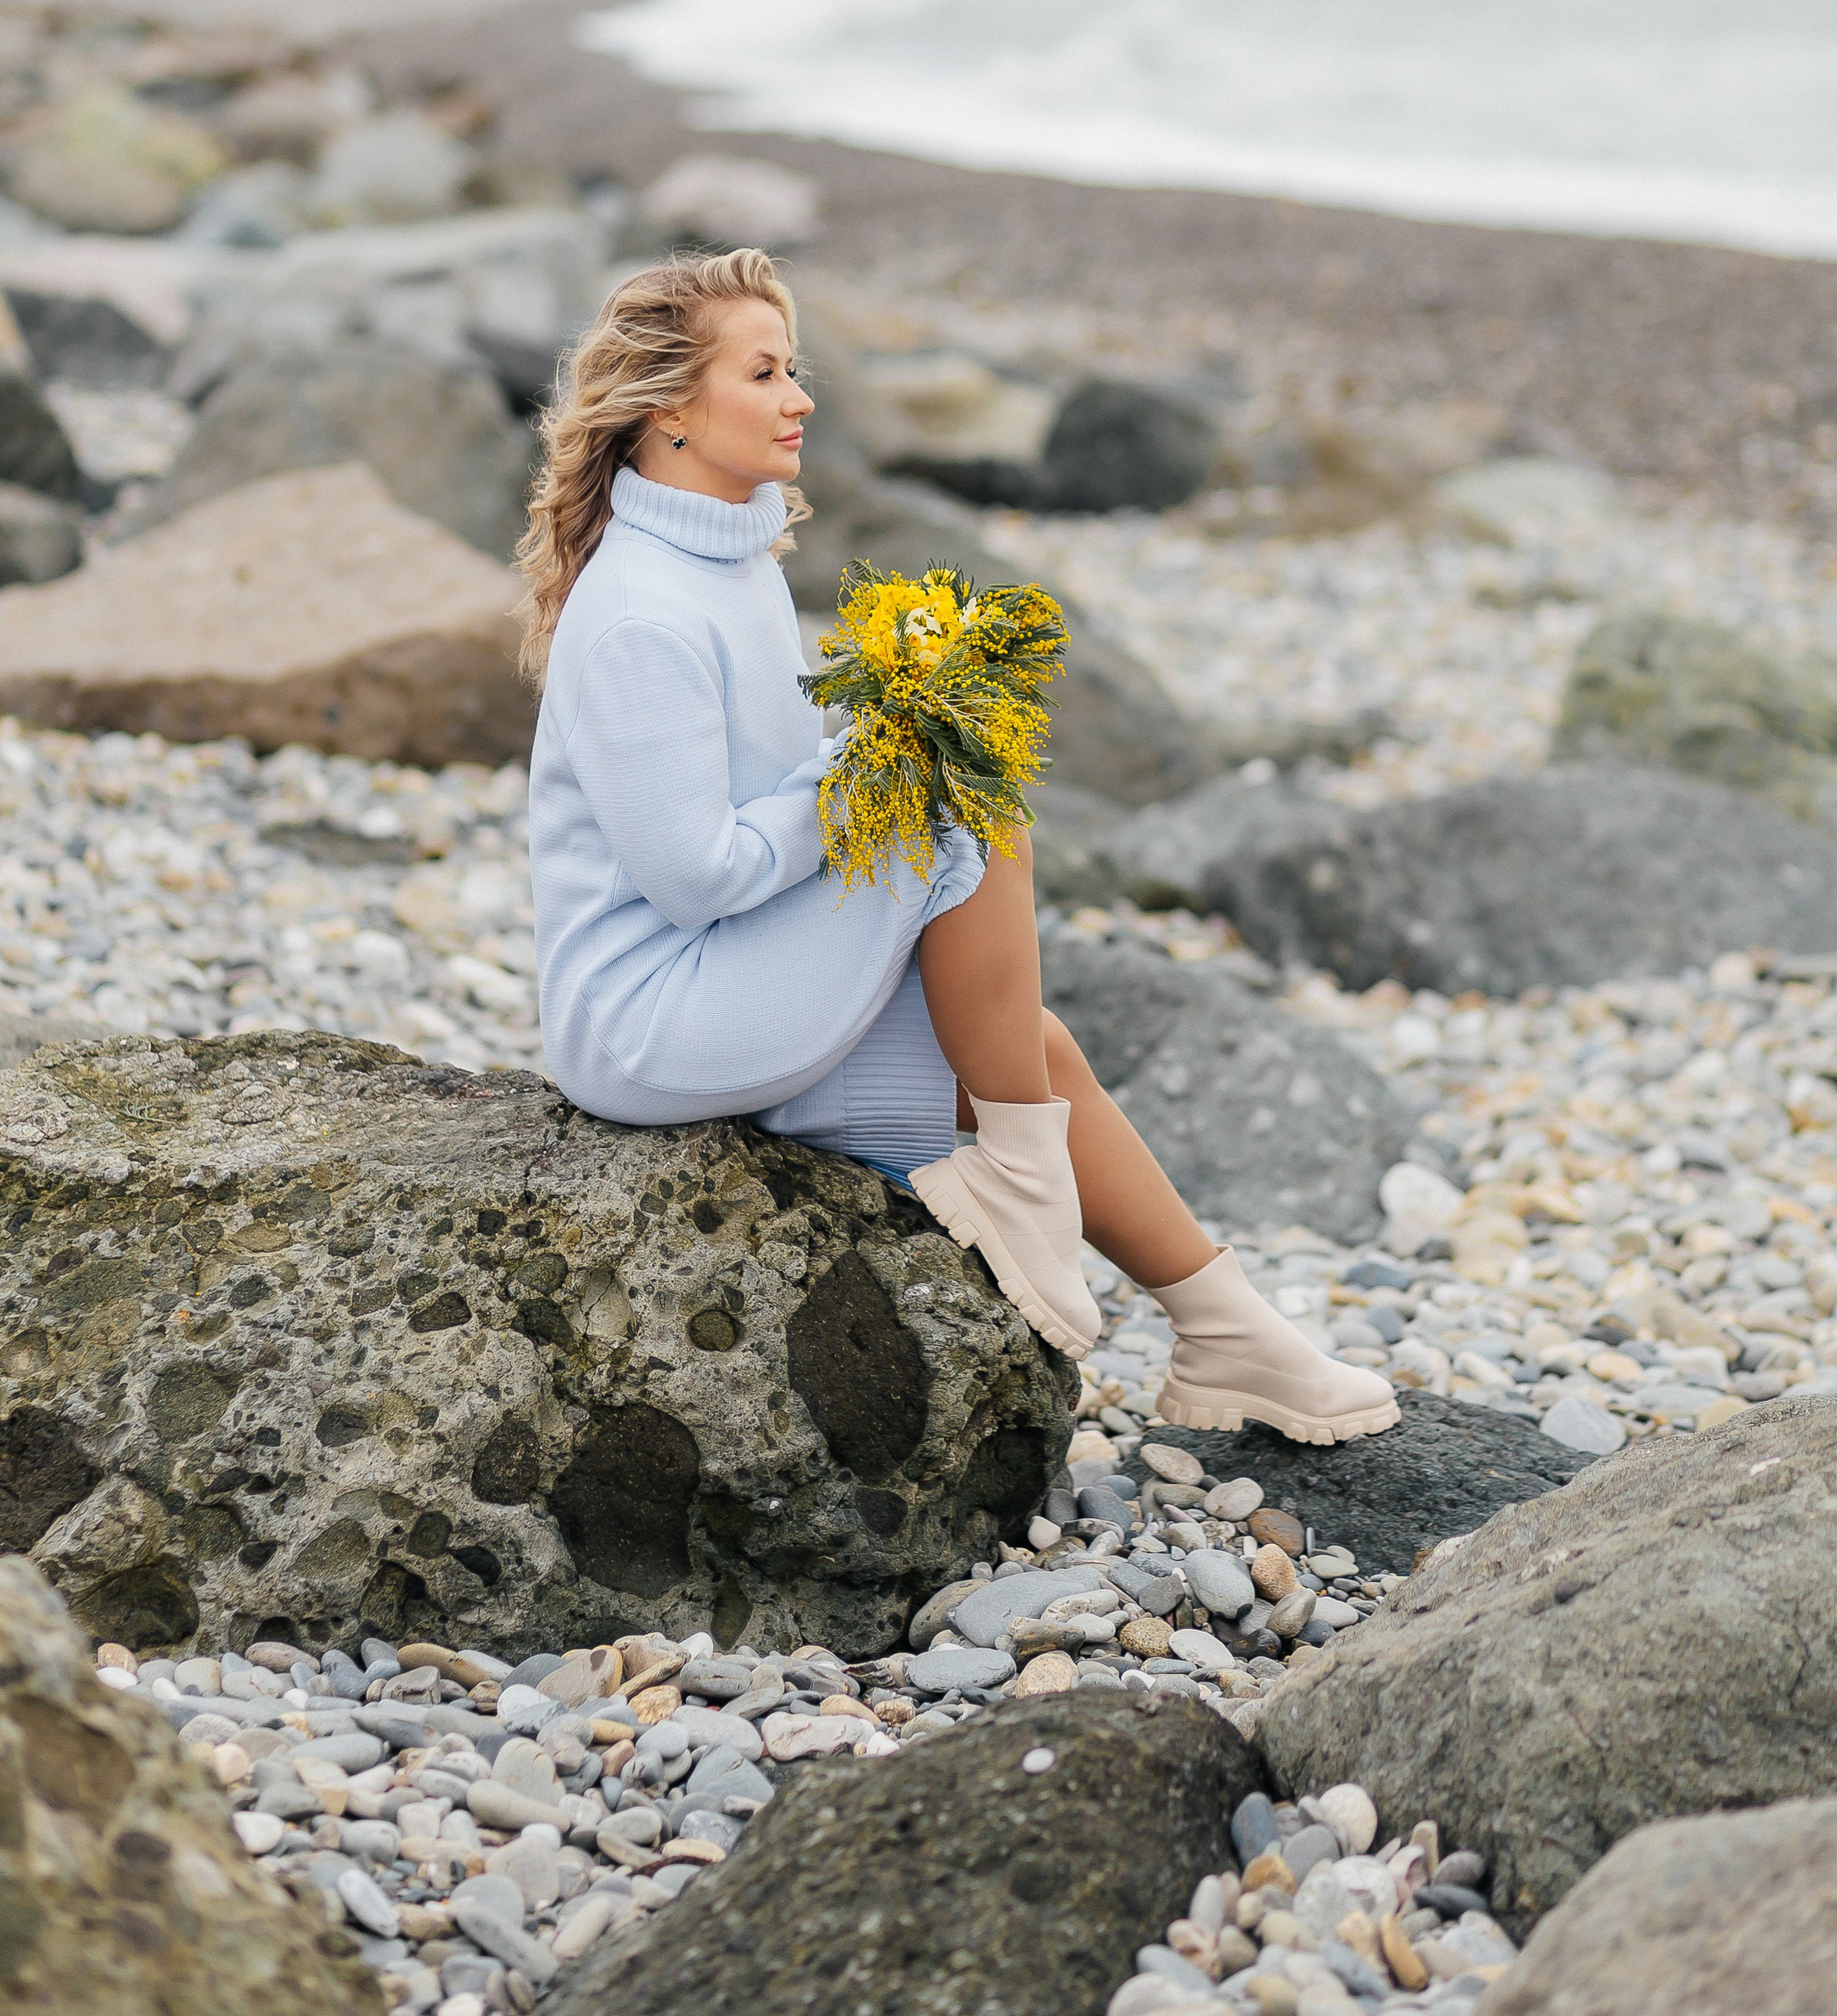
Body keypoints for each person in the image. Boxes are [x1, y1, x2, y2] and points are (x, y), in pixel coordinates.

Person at [520, 248, 1396, 1446]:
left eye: (795, 369)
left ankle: (1228, 1333)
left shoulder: (731, 564)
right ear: (670, 408)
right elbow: (695, 877)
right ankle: (1023, 1189)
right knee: (964, 806)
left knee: (1028, 1053)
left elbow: (771, 808)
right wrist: (868, 767)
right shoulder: (642, 614)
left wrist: (872, 742)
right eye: (764, 373)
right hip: (648, 1019)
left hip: (725, 970)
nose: (801, 398)